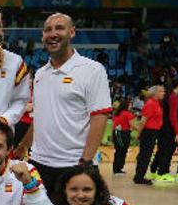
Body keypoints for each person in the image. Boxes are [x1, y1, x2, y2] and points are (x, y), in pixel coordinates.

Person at [22, 13, 112, 192]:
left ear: (72, 32)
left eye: (59, 28)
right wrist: (23, 146)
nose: (53, 33)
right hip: (39, 163)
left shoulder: (93, 70)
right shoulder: (40, 74)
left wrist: (86, 162)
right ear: (42, 36)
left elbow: (99, 117)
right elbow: (39, 117)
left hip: (74, 164)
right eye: (48, 30)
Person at [149, 75, 178, 183]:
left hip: (164, 127)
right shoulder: (174, 97)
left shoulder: (170, 95)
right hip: (169, 128)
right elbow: (172, 116)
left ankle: (154, 170)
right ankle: (163, 173)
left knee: (162, 150)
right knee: (167, 151)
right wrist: (177, 132)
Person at [133, 85, 165, 185]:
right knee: (145, 155)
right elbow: (143, 121)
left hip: (153, 132)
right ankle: (139, 177)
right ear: (155, 93)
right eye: (161, 91)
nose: (163, 93)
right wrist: (139, 133)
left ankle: (139, 176)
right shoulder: (150, 104)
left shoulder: (156, 103)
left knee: (146, 155)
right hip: (148, 132)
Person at [110, 98, 135, 175]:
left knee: (118, 151)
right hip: (123, 134)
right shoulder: (128, 114)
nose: (131, 106)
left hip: (116, 133)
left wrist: (112, 136)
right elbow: (132, 125)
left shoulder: (116, 114)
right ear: (126, 105)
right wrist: (141, 129)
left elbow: (113, 126)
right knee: (122, 151)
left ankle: (116, 169)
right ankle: (118, 169)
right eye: (130, 104)